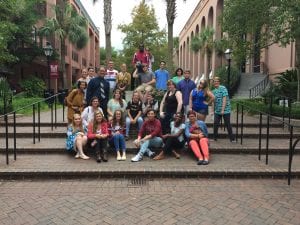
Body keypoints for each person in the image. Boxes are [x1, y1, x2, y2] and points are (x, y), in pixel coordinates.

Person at [212, 77, 235, 142]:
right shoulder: (213, 91)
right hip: (217, 110)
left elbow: (225, 99)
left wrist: (223, 109)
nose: (216, 82)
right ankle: (215, 138)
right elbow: (213, 101)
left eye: (217, 81)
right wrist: (212, 111)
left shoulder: (223, 88)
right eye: (214, 81)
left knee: (227, 124)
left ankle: (232, 139)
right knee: (215, 123)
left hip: (226, 110)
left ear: (219, 82)